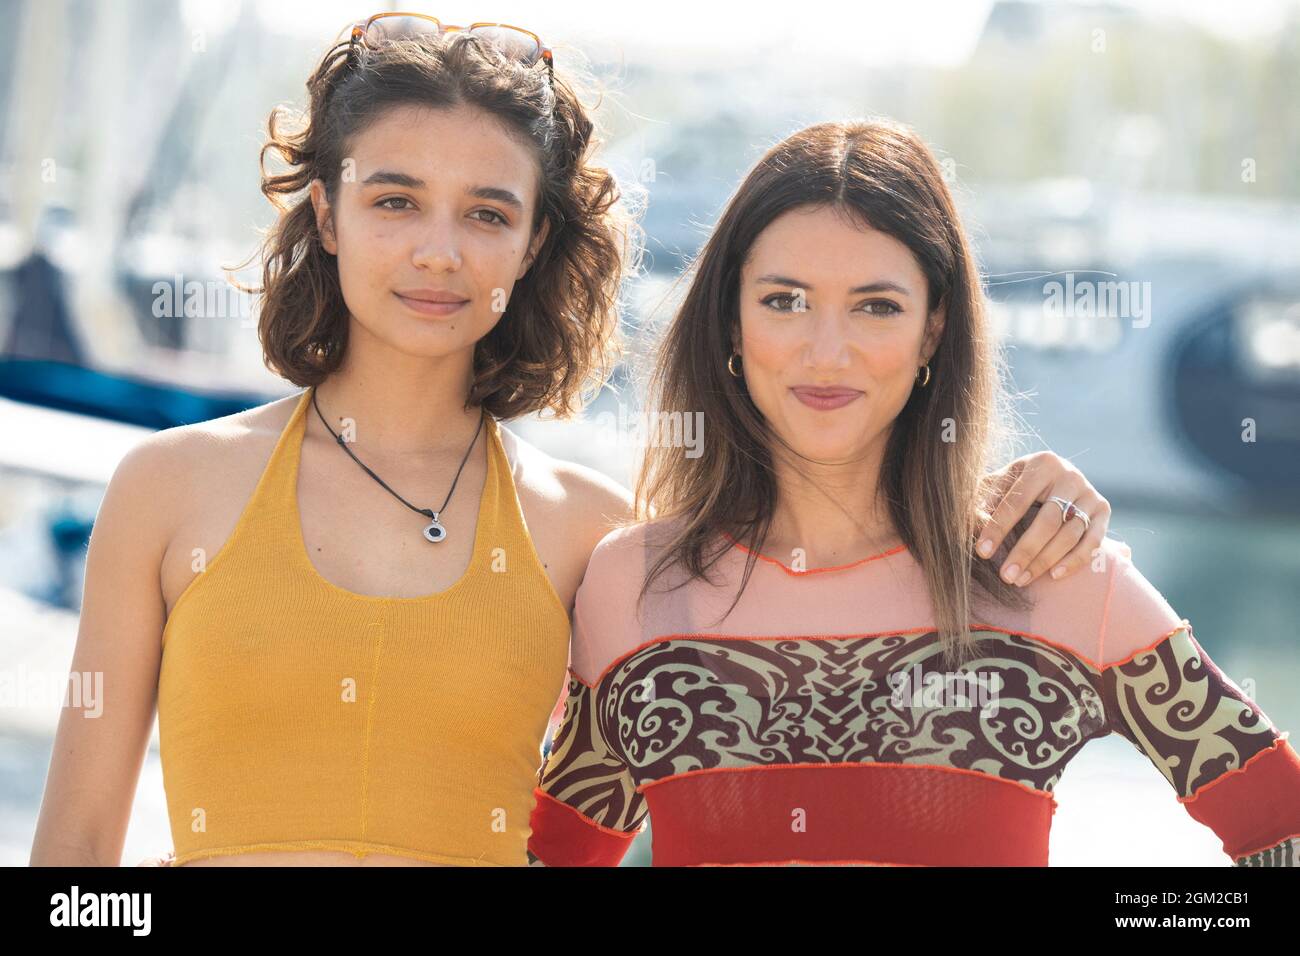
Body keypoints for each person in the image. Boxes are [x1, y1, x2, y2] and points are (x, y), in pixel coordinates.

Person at [31, 19, 1118, 868]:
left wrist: (999, 496)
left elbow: (820, 591)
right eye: (396, 199)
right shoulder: (167, 488)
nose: (439, 252)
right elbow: (77, 854)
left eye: (489, 213)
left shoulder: (594, 535)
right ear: (325, 211)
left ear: (537, 237)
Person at [527, 118, 1300, 867]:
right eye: (784, 300)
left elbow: (1283, 832)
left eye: (877, 306)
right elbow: (546, 862)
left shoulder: (1048, 571)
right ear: (731, 322)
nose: (826, 352)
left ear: (934, 329)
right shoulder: (633, 585)